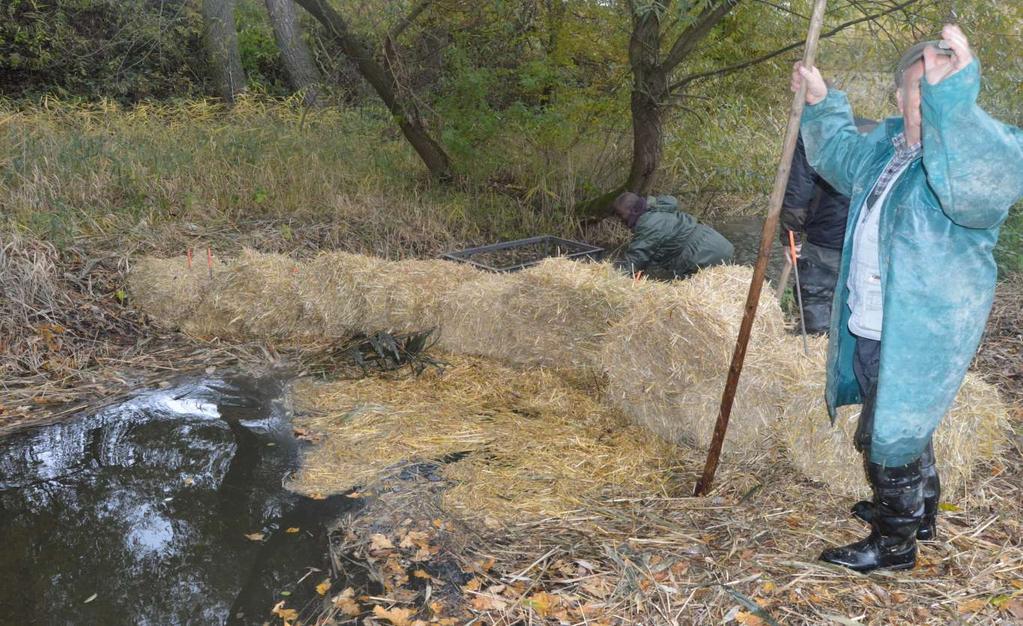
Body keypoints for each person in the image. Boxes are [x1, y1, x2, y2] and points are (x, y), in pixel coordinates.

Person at [792, 25, 1023, 573]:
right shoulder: (888, 148)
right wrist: (823, 102)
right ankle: (918, 510)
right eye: (922, 86)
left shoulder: (976, 156)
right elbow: (840, 156)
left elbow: (979, 191)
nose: (929, 96)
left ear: (962, 91)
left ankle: (894, 544)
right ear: (899, 95)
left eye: (943, 84)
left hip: (921, 328)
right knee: (902, 419)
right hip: (873, 318)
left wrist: (954, 100)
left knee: (888, 432)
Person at [781, 117, 877, 334]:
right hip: (866, 241)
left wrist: (790, 235)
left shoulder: (813, 131)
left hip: (825, 240)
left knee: (817, 304)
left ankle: (816, 347)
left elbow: (798, 189)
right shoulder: (879, 132)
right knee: (857, 312)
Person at [612, 192, 734, 278]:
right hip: (719, 244)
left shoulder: (648, 223)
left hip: (702, 255)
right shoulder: (658, 208)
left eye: (621, 215)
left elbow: (636, 259)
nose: (621, 220)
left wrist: (612, 275)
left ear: (633, 210)